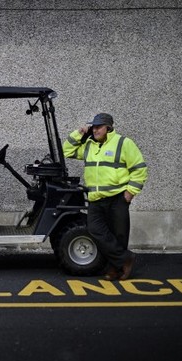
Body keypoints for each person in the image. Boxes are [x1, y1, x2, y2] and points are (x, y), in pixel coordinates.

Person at [63, 113, 148, 280]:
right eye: (93, 127)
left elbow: (139, 169)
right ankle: (125, 258)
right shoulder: (89, 145)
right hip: (95, 198)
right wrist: (80, 132)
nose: (94, 130)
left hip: (117, 198)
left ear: (108, 128)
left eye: (98, 127)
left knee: (119, 235)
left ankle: (116, 269)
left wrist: (130, 192)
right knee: (96, 231)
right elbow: (67, 150)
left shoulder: (123, 143)